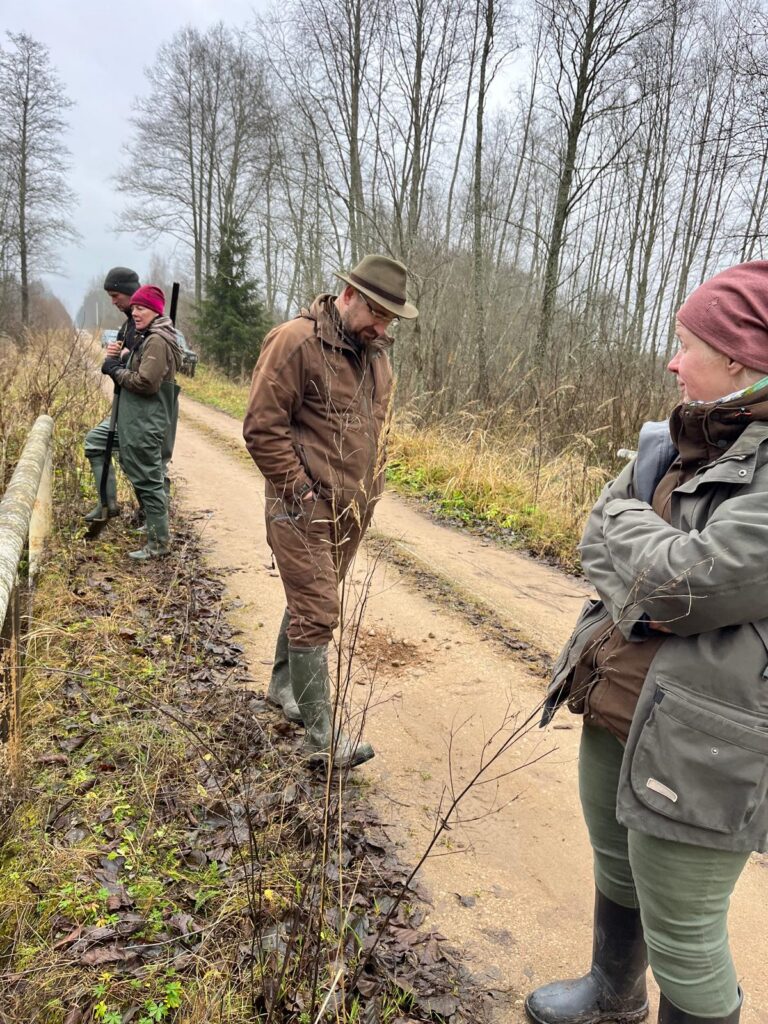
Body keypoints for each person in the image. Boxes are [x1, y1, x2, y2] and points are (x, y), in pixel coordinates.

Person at [526, 261, 768, 1024]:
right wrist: (649, 555)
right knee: (616, 865)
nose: (672, 361)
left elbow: (678, 586)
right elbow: (595, 530)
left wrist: (637, 544)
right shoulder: (682, 438)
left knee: (687, 936)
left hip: (708, 736)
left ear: (740, 361)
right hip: (621, 698)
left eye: (687, 345)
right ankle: (614, 993)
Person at [243, 254, 418, 768]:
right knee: (318, 611)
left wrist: (370, 490)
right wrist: (300, 494)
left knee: (308, 601)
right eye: (377, 314)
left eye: (390, 318)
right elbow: (261, 427)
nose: (382, 327)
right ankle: (322, 740)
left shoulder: (376, 358)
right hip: (302, 507)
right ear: (348, 296)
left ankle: (283, 687)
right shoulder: (295, 342)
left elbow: (376, 429)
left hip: (350, 512)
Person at [84, 268, 179, 526]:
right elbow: (130, 365)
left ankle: (156, 525)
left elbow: (148, 379)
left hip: (150, 411)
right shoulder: (130, 326)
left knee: (151, 465)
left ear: (128, 292)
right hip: (128, 407)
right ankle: (108, 504)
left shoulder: (155, 333)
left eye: (115, 296)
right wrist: (118, 358)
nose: (113, 302)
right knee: (97, 444)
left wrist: (118, 366)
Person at [101, 285, 182, 560]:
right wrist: (125, 358)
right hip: (139, 418)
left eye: (142, 308)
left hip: (146, 420)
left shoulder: (157, 339)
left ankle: (158, 544)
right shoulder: (151, 336)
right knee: (145, 473)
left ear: (155, 311)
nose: (135, 312)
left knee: (149, 479)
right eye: (134, 307)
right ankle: (154, 532)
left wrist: (116, 370)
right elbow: (145, 367)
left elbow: (147, 383)